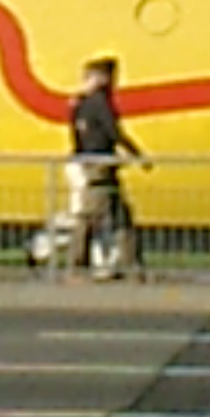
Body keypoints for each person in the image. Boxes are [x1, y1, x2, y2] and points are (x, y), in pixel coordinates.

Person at [68, 56, 149, 280]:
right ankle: (78, 266)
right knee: (91, 216)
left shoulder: (80, 104)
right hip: (100, 164)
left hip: (90, 162)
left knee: (119, 215)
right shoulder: (99, 102)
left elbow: (76, 135)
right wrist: (137, 155)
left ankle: (131, 264)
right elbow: (113, 132)